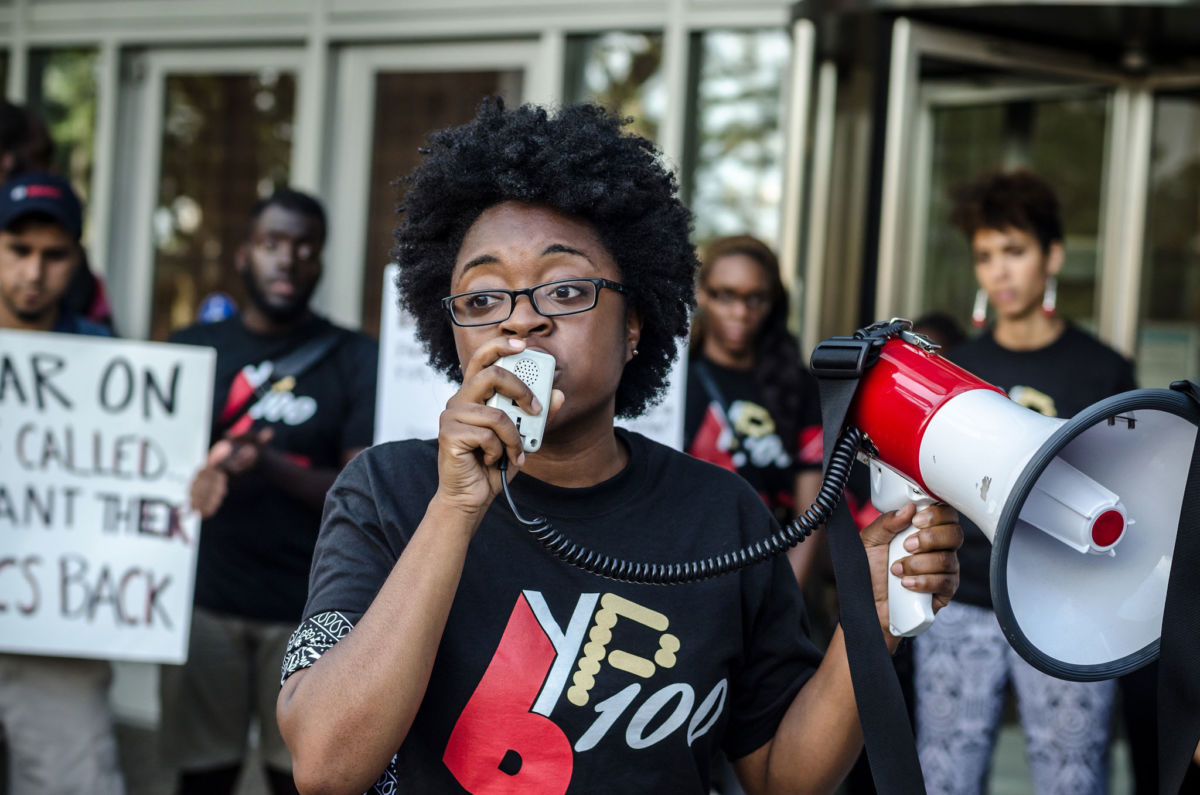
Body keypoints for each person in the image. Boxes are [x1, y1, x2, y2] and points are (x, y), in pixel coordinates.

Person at [274, 100, 962, 795]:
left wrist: (870, 624)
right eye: (483, 300)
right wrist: (455, 507)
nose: (523, 319)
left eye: (565, 288)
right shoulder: (384, 491)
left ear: (635, 324)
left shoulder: (719, 512)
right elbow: (326, 766)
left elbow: (782, 776)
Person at [913, 169, 1138, 795]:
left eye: (1014, 251)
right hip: (967, 601)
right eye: (986, 256)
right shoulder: (962, 368)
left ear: (1052, 256)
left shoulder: (1104, 369)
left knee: (1073, 778)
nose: (999, 272)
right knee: (945, 776)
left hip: (1069, 607)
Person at [162, 188, 378, 795]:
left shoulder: (355, 357)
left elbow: (355, 489)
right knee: (203, 777)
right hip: (204, 605)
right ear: (243, 255)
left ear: (320, 263)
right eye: (272, 244)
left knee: (304, 780)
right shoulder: (192, 351)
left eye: (305, 248)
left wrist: (265, 463)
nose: (288, 259)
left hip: (308, 611)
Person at [0, 171, 122, 794]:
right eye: (18, 251)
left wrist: (190, 487)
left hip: (54, 617)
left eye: (53, 255)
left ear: (76, 260)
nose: (33, 272)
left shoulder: (105, 358)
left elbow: (134, 474)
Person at [685, 235, 823, 584]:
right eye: (725, 295)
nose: (741, 313)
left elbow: (813, 513)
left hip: (769, 577)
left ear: (772, 302)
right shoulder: (674, 382)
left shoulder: (797, 386)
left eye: (755, 299)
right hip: (685, 572)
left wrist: (787, 598)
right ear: (702, 293)